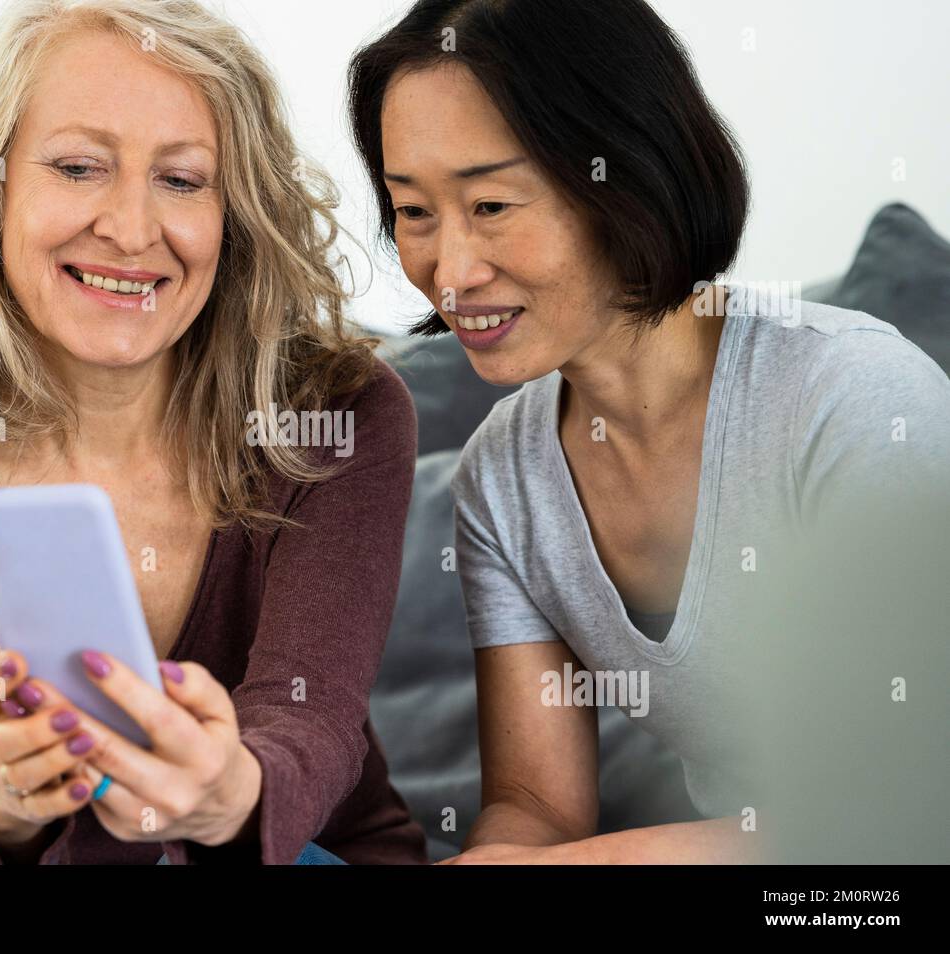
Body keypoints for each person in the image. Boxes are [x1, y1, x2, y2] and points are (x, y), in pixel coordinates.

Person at [0, 0, 428, 865]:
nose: (130, 231)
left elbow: (309, 720)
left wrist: (224, 791)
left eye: (182, 179)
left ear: (234, 212)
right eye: (80, 167)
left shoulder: (336, 415)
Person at [347, 0, 950, 862]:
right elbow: (537, 807)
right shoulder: (502, 478)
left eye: (490, 204)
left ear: (622, 178)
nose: (451, 271)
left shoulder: (852, 398)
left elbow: (902, 818)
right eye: (413, 213)